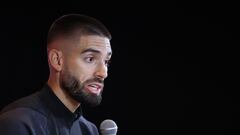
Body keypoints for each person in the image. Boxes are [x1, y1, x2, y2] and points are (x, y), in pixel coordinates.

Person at [0, 14, 112, 135]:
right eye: (90, 59)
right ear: (57, 60)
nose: (103, 73)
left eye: (106, 62)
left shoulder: (89, 130)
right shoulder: (17, 123)